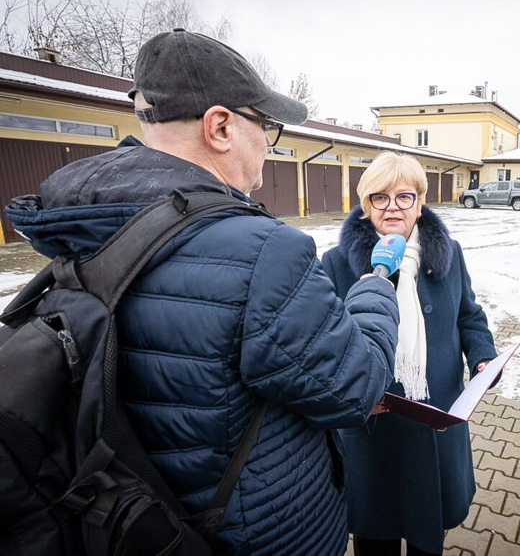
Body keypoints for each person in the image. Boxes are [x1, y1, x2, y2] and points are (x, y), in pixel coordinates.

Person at [6, 29, 399, 556]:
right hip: (258, 532)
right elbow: (356, 386)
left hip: (141, 525)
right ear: (220, 127)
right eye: (267, 128)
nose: (269, 145)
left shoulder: (89, 223)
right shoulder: (265, 251)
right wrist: (375, 288)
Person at [321, 152, 497, 556]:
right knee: (375, 536)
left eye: (404, 196)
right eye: (380, 198)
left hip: (435, 420)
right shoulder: (335, 264)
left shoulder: (448, 254)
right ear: (366, 205)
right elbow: (325, 344)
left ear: (420, 201)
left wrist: (483, 356)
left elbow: (469, 315)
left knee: (426, 533)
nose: (393, 207)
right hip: (372, 431)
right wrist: (351, 390)